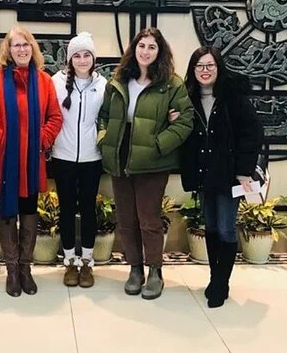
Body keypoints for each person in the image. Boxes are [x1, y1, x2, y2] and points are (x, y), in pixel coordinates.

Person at [98, 27, 194, 300]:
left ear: (159, 52)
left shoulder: (171, 84)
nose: (146, 51)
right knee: (126, 219)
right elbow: (103, 115)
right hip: (120, 158)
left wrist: (159, 145)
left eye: (152, 47)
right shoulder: (119, 80)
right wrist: (104, 138)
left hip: (153, 162)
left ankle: (155, 271)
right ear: (134, 49)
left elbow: (185, 121)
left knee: (149, 219)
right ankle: (135, 269)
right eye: (142, 46)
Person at [0, 26, 62, 297]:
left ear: (32, 49)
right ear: (8, 50)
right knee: (8, 213)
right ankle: (12, 270)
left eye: (26, 45)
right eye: (16, 45)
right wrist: (1, 140)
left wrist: (40, 139)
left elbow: (55, 117)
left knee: (29, 210)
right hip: (5, 162)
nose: (21, 50)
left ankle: (25, 268)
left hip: (32, 162)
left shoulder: (44, 81)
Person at [180, 46, 262, 308]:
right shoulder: (188, 98)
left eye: (210, 65)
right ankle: (215, 278)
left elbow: (252, 133)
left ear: (218, 67)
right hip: (204, 173)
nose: (205, 71)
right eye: (199, 66)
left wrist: (243, 170)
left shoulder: (233, 96)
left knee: (226, 228)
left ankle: (220, 283)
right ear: (193, 70)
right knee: (211, 227)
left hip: (228, 174)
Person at [51, 32, 107, 288]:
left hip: (91, 158)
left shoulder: (103, 85)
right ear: (69, 59)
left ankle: (86, 262)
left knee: (87, 209)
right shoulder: (56, 82)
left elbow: (108, 117)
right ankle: (69, 262)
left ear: (93, 58)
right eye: (77, 55)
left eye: (87, 55)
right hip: (62, 156)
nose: (82, 60)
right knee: (66, 209)